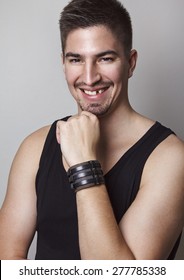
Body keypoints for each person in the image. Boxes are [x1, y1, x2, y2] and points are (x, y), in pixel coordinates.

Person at [0, 0, 184, 260]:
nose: (89, 77)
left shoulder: (170, 159)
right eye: (76, 59)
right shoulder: (35, 148)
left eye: (105, 58)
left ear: (130, 63)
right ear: (63, 63)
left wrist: (84, 165)